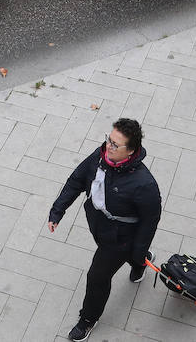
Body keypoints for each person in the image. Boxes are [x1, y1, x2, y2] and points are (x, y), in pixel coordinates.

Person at [48, 118, 161, 342]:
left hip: (120, 239)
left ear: (131, 151)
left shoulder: (144, 184)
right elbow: (76, 180)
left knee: (97, 276)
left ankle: (88, 319)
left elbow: (150, 221)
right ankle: (141, 260)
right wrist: (57, 211)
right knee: (134, 256)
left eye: (115, 144)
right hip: (99, 227)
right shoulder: (101, 156)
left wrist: (139, 247)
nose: (108, 146)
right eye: (109, 139)